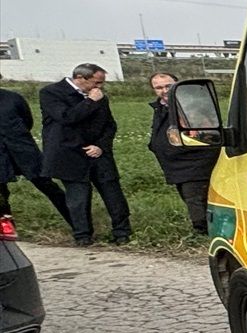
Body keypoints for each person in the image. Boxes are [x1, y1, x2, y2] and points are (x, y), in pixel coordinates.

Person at [39, 63, 131, 246]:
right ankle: (83, 235)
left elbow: (109, 125)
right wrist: (89, 102)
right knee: (78, 197)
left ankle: (122, 232)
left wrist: (101, 146)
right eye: (96, 82)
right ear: (80, 78)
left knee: (113, 193)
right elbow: (66, 117)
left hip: (98, 152)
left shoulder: (99, 96)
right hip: (69, 153)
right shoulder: (51, 93)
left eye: (102, 83)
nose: (100, 87)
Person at [145, 73, 217, 234]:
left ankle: (203, 232)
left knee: (196, 199)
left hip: (195, 161)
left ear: (177, 85)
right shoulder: (160, 107)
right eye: (158, 87)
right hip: (174, 164)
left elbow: (208, 132)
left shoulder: (193, 106)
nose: (164, 91)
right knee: (189, 197)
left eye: (168, 86)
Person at [0, 86, 71, 226]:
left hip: (23, 150)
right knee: (1, 192)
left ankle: (79, 225)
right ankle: (7, 229)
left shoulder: (13, 98)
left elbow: (27, 121)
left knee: (47, 185)